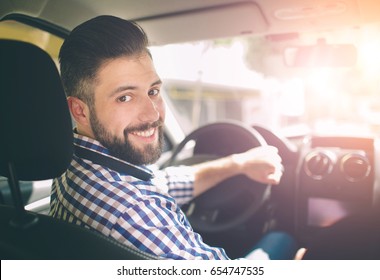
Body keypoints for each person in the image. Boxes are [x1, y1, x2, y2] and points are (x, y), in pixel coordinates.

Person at [49, 15, 296, 260]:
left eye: (153, 91)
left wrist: (237, 164)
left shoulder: (74, 164)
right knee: (281, 240)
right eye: (125, 97)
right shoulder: (135, 211)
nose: (153, 113)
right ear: (80, 110)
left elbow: (160, 182)